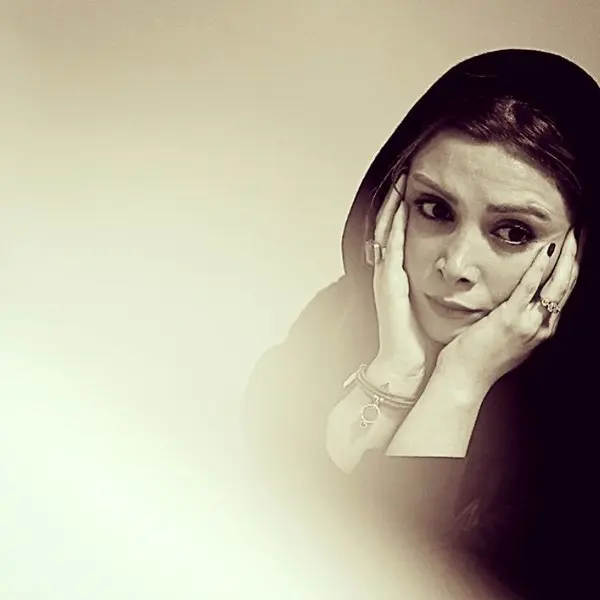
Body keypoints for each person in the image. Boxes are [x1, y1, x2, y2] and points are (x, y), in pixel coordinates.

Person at [243, 49, 600, 599]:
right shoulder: (334, 323)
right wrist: (397, 370)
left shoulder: (584, 440)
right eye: (435, 209)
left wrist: (457, 385)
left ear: (582, 248)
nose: (455, 266)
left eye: (513, 233)